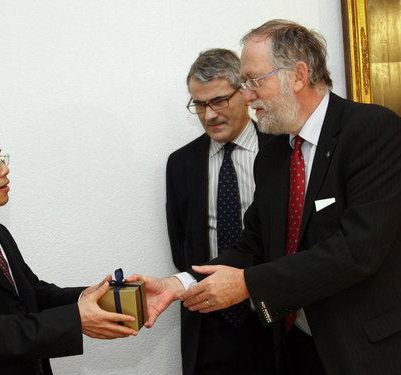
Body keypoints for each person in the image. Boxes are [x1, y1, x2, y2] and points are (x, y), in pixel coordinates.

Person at [128, 20, 401, 375]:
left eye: (254, 81)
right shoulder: (275, 155)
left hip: (362, 350)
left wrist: (246, 284)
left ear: (299, 75)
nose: (248, 94)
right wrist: (178, 284)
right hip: (295, 346)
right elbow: (253, 244)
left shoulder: (371, 130)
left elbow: (356, 252)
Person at [0, 116, 137, 375]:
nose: (4, 169)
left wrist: (87, 296)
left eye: (1, 158)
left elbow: (30, 294)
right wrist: (75, 319)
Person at [166, 48, 274, 374]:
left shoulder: (282, 150)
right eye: (199, 104)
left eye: (218, 101)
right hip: (210, 324)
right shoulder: (181, 164)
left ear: (244, 91)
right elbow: (181, 243)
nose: (209, 114)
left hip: (275, 314)